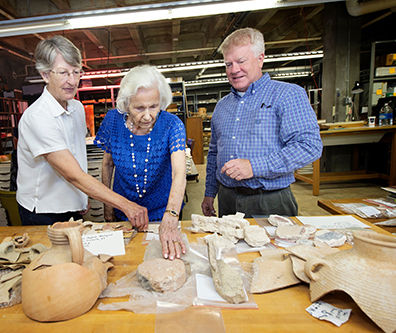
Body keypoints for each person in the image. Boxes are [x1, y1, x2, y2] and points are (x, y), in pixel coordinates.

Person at [16, 35, 148, 228]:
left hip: (72, 205)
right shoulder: (37, 117)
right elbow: (72, 174)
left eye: (76, 72)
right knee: (51, 258)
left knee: (76, 256)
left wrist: (81, 195)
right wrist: (125, 205)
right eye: (63, 73)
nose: (71, 81)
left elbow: (76, 156)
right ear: (45, 75)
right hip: (43, 211)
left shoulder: (77, 109)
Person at [201, 28, 323, 218]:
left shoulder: (287, 95)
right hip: (227, 200)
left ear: (260, 59)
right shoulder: (222, 106)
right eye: (228, 64)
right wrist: (210, 193)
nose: (233, 70)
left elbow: (310, 146)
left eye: (241, 61)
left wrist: (254, 166)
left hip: (269, 201)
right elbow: (214, 153)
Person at [94, 65, 187, 260]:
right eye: (139, 108)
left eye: (153, 106)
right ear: (126, 103)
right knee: (125, 262)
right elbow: (107, 164)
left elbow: (179, 172)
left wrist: (171, 215)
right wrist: (108, 206)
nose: (147, 116)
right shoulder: (112, 121)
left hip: (163, 212)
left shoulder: (172, 125)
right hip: (124, 212)